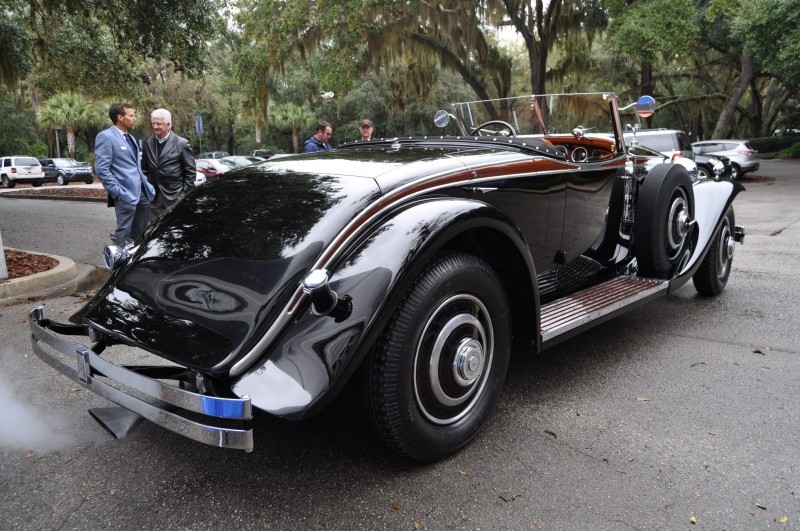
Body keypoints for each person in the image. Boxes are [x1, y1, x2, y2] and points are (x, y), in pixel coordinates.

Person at [94, 102, 155, 244]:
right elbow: (102, 169)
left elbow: (135, 166)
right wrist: (118, 193)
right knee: (124, 234)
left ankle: (136, 263)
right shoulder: (106, 137)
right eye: (131, 115)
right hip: (125, 195)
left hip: (142, 193)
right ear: (120, 117)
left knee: (141, 233)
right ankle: (119, 264)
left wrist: (147, 187)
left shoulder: (130, 138)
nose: (134, 119)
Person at [141, 108, 196, 222]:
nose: (155, 126)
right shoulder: (148, 142)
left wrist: (183, 195)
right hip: (154, 197)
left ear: (168, 124)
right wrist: (147, 189)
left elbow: (190, 173)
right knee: (155, 230)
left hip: (175, 197)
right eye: (153, 123)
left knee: (175, 228)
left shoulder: (181, 143)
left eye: (159, 124)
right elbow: (144, 169)